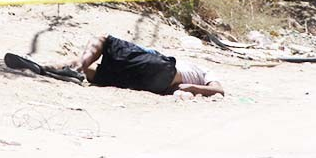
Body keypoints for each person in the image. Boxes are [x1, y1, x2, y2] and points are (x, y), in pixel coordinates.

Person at [73, 35, 224, 97]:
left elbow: (219, 90)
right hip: (154, 83)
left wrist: (192, 88)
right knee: (95, 72)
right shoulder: (194, 71)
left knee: (103, 39)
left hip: (165, 72)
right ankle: (73, 69)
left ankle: (77, 67)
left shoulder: (205, 71)